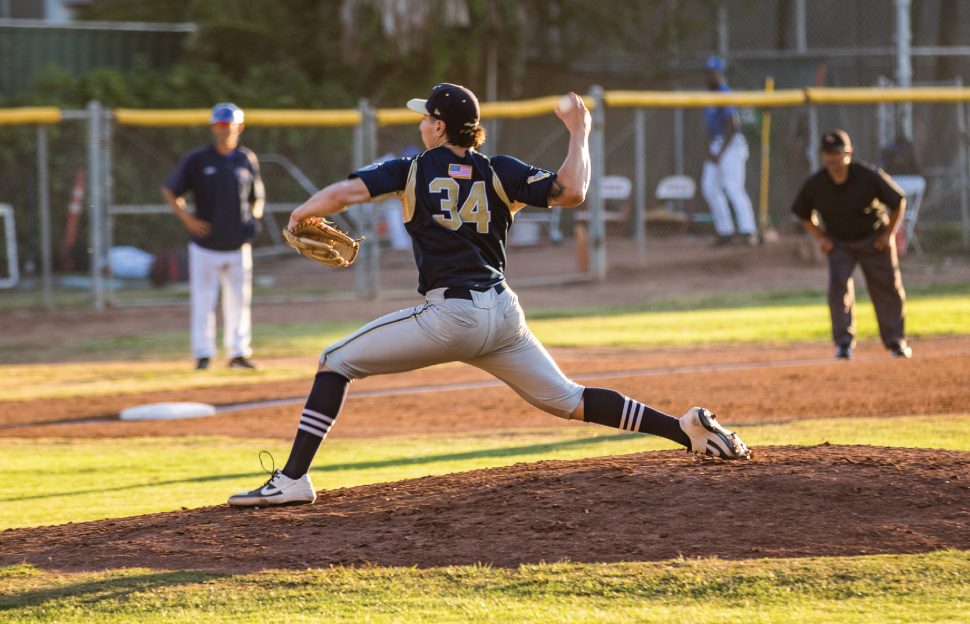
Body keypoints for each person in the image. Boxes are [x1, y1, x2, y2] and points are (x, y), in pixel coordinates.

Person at [227, 83, 750, 508]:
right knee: (567, 398)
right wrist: (580, 132)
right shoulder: (500, 170)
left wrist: (300, 214)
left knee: (333, 360)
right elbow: (574, 191)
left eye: (424, 117)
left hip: (450, 314)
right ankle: (688, 432)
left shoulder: (413, 168)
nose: (419, 125)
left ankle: (293, 479)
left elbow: (343, 195)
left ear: (437, 125)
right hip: (502, 315)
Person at [791, 129, 912, 360]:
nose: (831, 159)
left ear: (848, 153)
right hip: (840, 242)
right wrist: (821, 237)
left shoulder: (868, 176)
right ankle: (844, 344)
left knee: (886, 287)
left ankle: (896, 341)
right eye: (827, 154)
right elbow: (802, 213)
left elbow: (898, 201)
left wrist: (889, 234)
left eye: (836, 153)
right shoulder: (816, 183)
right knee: (838, 290)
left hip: (873, 240)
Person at [161, 102, 265, 370]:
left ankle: (238, 353)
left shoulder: (246, 159)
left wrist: (253, 219)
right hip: (205, 245)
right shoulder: (198, 159)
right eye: (217, 125)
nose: (222, 130)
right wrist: (188, 219)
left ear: (238, 127)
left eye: (226, 125)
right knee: (203, 301)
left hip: (237, 245)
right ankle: (203, 355)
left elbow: (258, 197)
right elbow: (170, 190)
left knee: (240, 301)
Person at [700, 55, 758, 247]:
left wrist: (720, 151)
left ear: (721, 74)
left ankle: (748, 230)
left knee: (733, 187)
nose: (710, 76)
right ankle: (725, 231)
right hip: (717, 143)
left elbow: (732, 125)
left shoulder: (724, 92)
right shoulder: (708, 95)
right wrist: (712, 149)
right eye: (708, 72)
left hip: (731, 144)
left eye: (714, 72)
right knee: (709, 188)